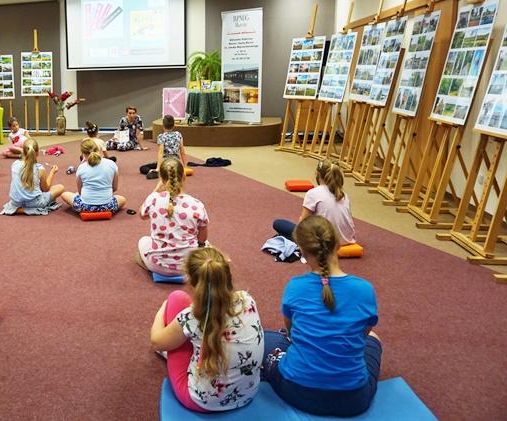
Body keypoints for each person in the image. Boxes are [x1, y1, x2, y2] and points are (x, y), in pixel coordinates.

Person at [261, 216, 381, 417]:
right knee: (374, 339)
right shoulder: (365, 289)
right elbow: (363, 336)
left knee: (266, 337)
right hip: (353, 399)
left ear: (301, 251)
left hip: (296, 391)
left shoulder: (295, 286)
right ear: (337, 244)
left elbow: (291, 334)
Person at [150, 246, 264, 412]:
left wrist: (163, 309)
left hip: (201, 402)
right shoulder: (247, 300)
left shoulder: (192, 317)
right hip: (248, 394)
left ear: (190, 281)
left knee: (176, 299)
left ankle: (178, 334)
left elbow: (156, 342)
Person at [137, 158, 208, 276]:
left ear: (162, 180)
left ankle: (149, 263)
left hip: (158, 265)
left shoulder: (154, 199)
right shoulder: (197, 204)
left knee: (143, 241)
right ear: (184, 176)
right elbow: (202, 239)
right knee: (205, 244)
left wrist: (155, 190)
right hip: (190, 265)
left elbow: (142, 215)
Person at [272, 157, 356, 247]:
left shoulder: (313, 193)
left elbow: (302, 225)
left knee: (278, 223)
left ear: (317, 174)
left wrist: (301, 220)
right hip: (347, 239)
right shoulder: (344, 194)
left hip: (325, 241)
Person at [0, 138, 64, 215]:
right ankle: (29, 209)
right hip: (34, 203)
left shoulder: (15, 164)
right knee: (60, 187)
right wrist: (52, 173)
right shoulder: (39, 168)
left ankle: (19, 209)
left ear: (22, 152)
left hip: (16, 202)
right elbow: (45, 189)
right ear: (38, 152)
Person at [61, 138, 126, 213]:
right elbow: (114, 188)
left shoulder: (81, 167)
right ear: (98, 149)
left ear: (82, 153)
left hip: (85, 206)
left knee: (65, 194)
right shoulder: (111, 164)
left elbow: (80, 192)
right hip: (107, 206)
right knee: (122, 199)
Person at [140, 114, 187, 179]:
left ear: (163, 126)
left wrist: (158, 168)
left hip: (165, 161)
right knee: (175, 167)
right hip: (177, 161)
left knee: (142, 168)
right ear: (174, 125)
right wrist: (185, 167)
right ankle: (174, 171)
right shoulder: (178, 134)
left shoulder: (161, 136)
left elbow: (161, 152)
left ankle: (160, 172)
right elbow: (182, 151)